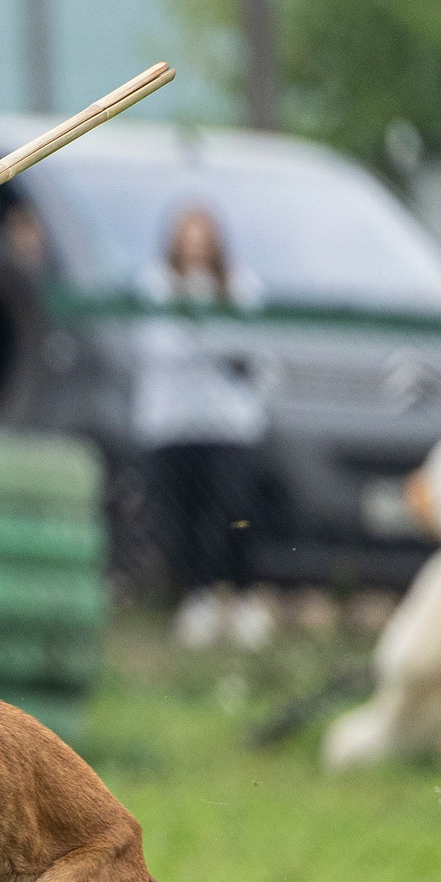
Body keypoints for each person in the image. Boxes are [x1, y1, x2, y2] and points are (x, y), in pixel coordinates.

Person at [136, 201, 271, 649]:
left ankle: (243, 598)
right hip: (172, 425)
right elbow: (162, 348)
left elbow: (250, 352)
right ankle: (197, 599)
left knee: (236, 511)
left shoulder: (242, 286)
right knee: (183, 517)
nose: (194, 244)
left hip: (229, 427)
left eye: (202, 234)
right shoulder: (155, 285)